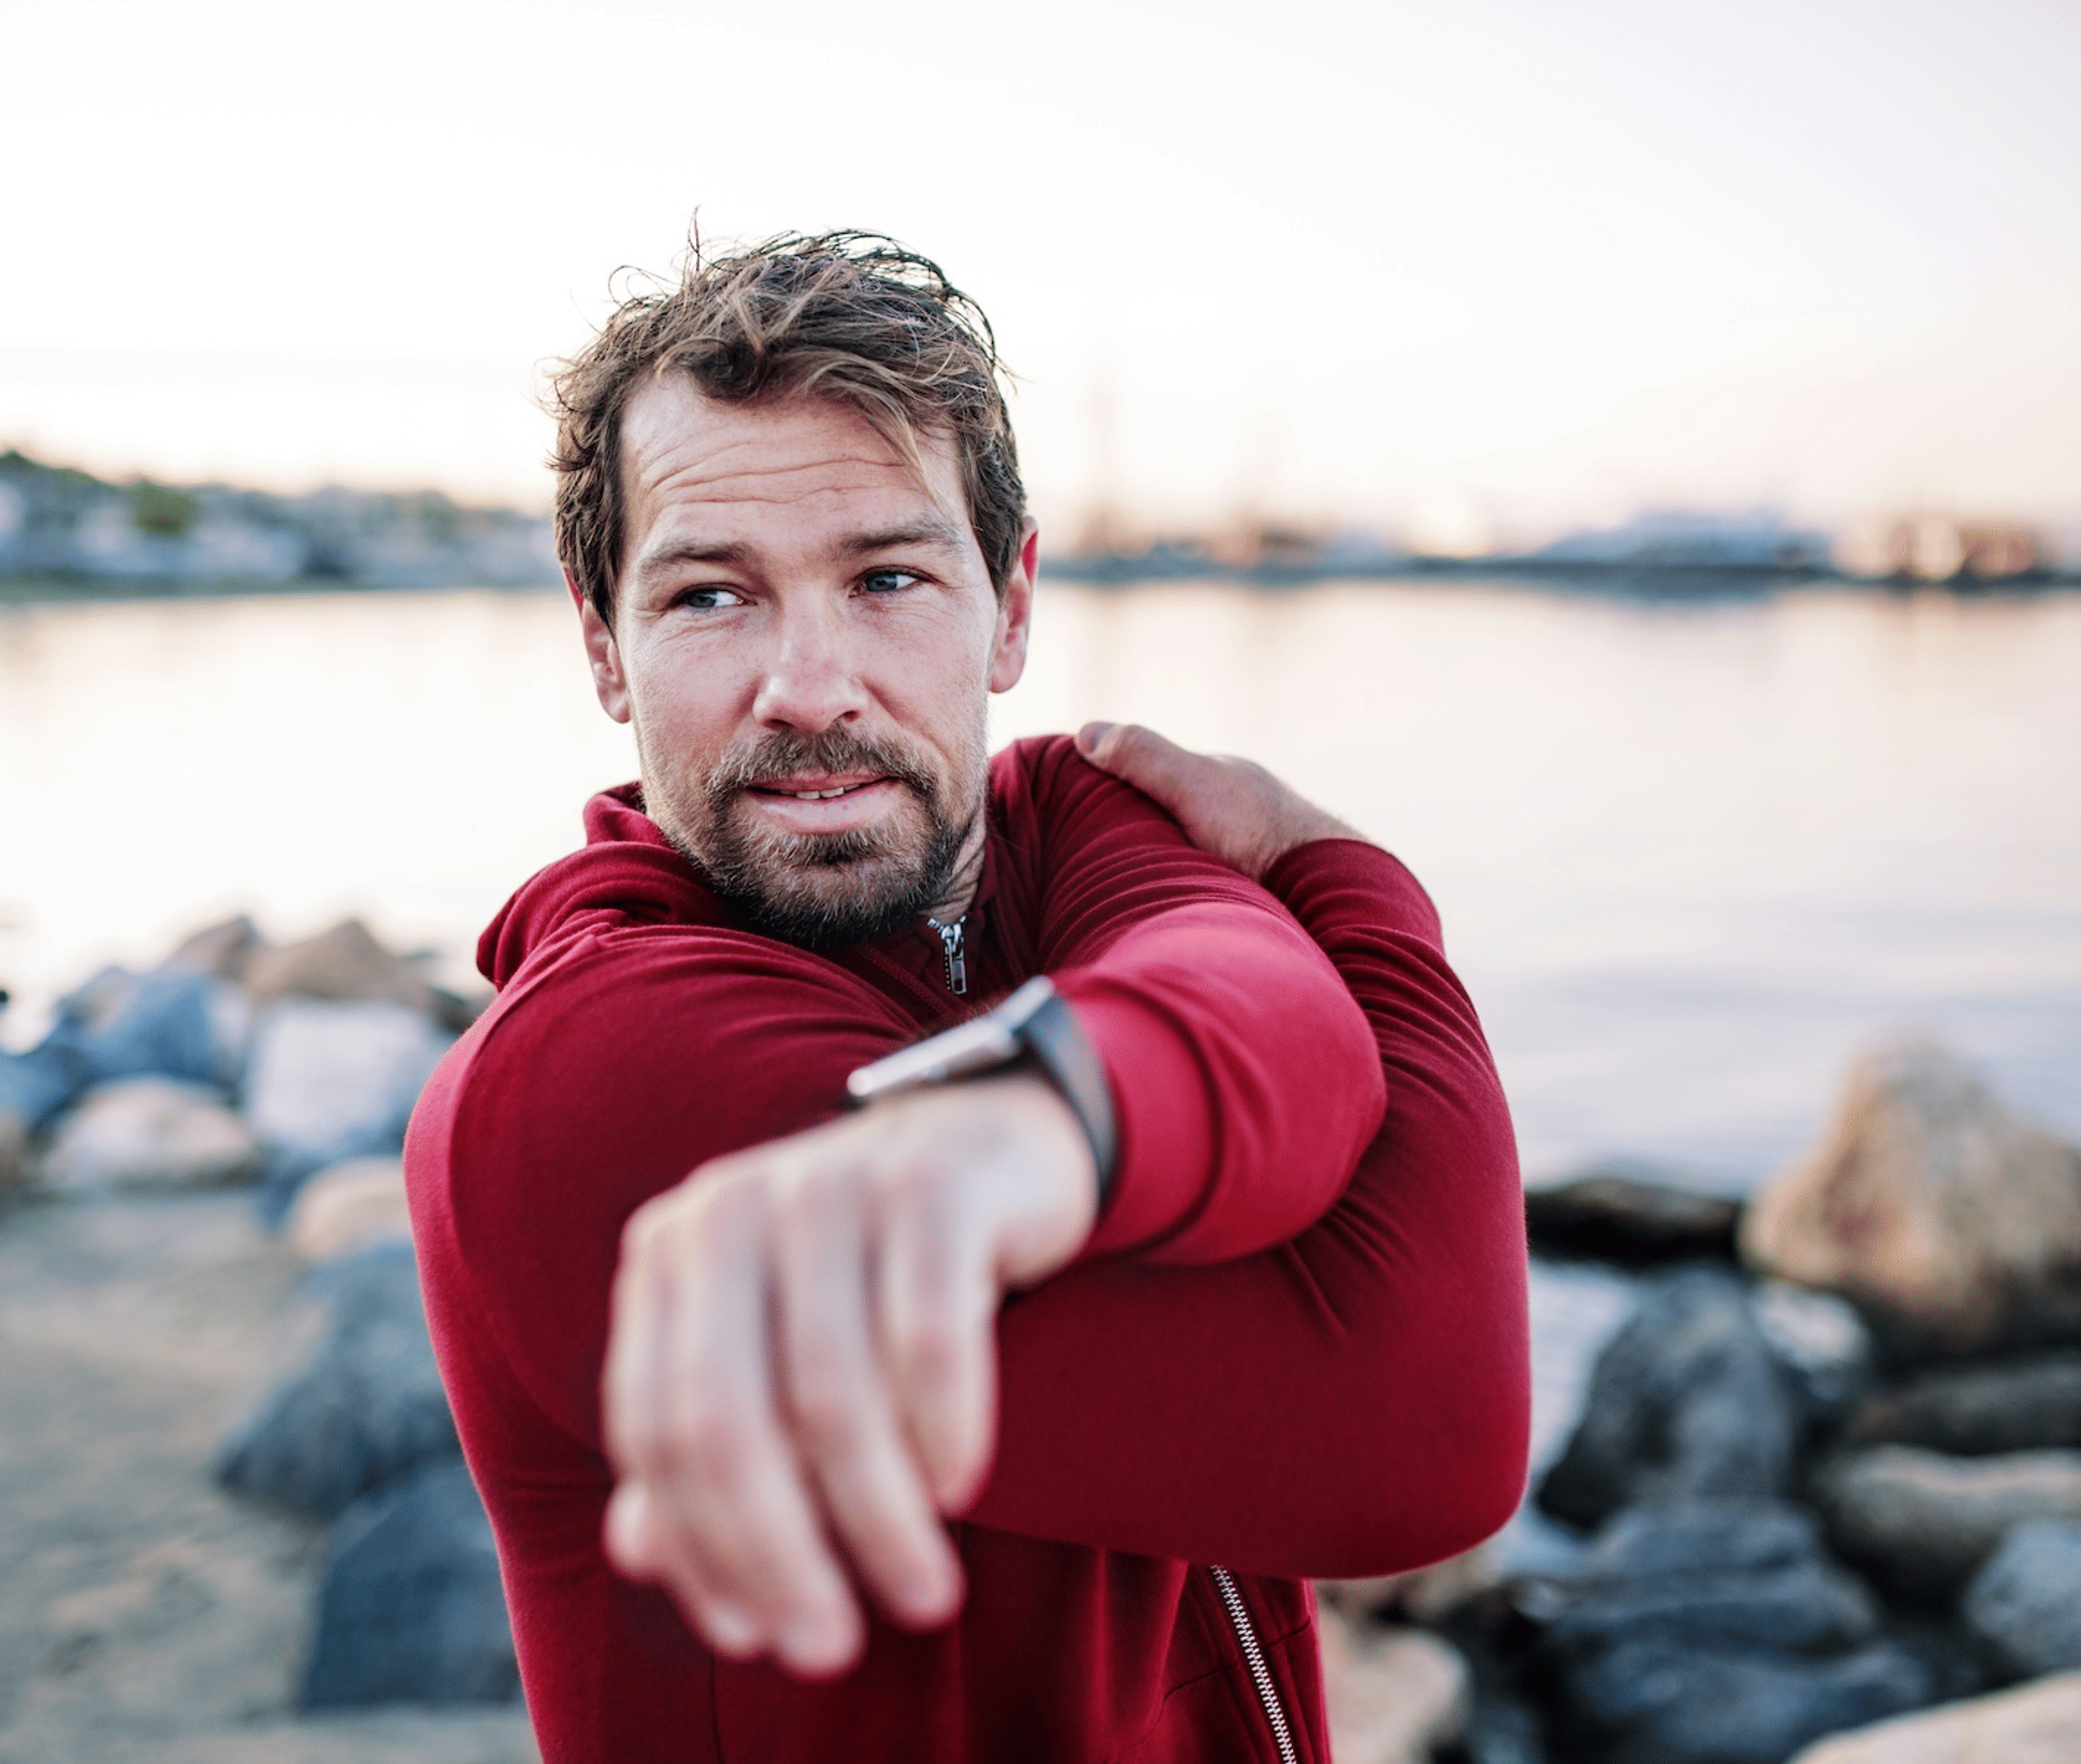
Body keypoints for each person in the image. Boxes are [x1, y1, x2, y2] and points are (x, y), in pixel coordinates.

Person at [405, 232, 1528, 1763]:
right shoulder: (587, 1080)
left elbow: (1268, 1002)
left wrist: (1042, 1118)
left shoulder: (1068, 818)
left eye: (887, 578)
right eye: (710, 598)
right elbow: (1421, 1442)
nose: (811, 683)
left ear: (1009, 607)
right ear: (605, 644)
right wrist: (1351, 884)